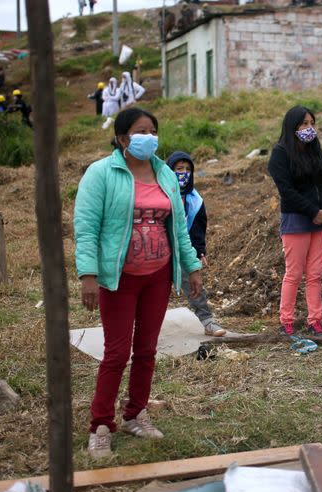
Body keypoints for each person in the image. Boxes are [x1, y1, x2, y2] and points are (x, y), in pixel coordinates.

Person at [74, 107, 203, 459]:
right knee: (116, 353)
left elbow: (178, 228)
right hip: (119, 279)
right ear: (122, 138)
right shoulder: (101, 174)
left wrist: (191, 268)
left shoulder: (163, 174)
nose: (148, 136)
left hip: (158, 276)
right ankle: (101, 424)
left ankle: (135, 414)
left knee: (146, 350)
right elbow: (86, 228)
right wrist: (88, 275)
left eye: (152, 130)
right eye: (139, 131)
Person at [268, 105, 322, 337]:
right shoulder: (280, 154)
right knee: (294, 274)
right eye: (304, 124)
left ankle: (315, 320)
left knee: (315, 274)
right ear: (292, 126)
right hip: (297, 220)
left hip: (320, 221)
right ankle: (286, 320)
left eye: (312, 123)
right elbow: (287, 191)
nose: (309, 128)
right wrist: (313, 211)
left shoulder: (314, 149)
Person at [167, 150, 227, 337]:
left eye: (187, 169)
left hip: (185, 248)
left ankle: (207, 320)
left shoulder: (195, 200)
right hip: (160, 248)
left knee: (194, 285)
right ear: (169, 171)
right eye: (179, 169)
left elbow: (199, 229)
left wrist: (200, 252)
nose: (183, 172)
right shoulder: (160, 194)